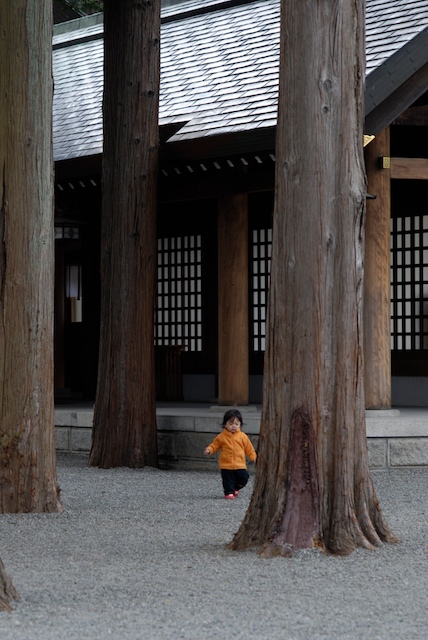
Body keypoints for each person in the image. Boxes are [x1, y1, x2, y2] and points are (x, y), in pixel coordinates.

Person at [204, 409, 257, 500]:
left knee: (244, 478)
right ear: (225, 424)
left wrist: (254, 458)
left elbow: (249, 449)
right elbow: (215, 445)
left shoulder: (243, 436)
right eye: (231, 424)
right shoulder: (221, 436)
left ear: (240, 424)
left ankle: (236, 488)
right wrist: (209, 449)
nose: (234, 426)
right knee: (228, 480)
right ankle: (229, 492)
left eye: (236, 424)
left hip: (240, 464)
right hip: (226, 464)